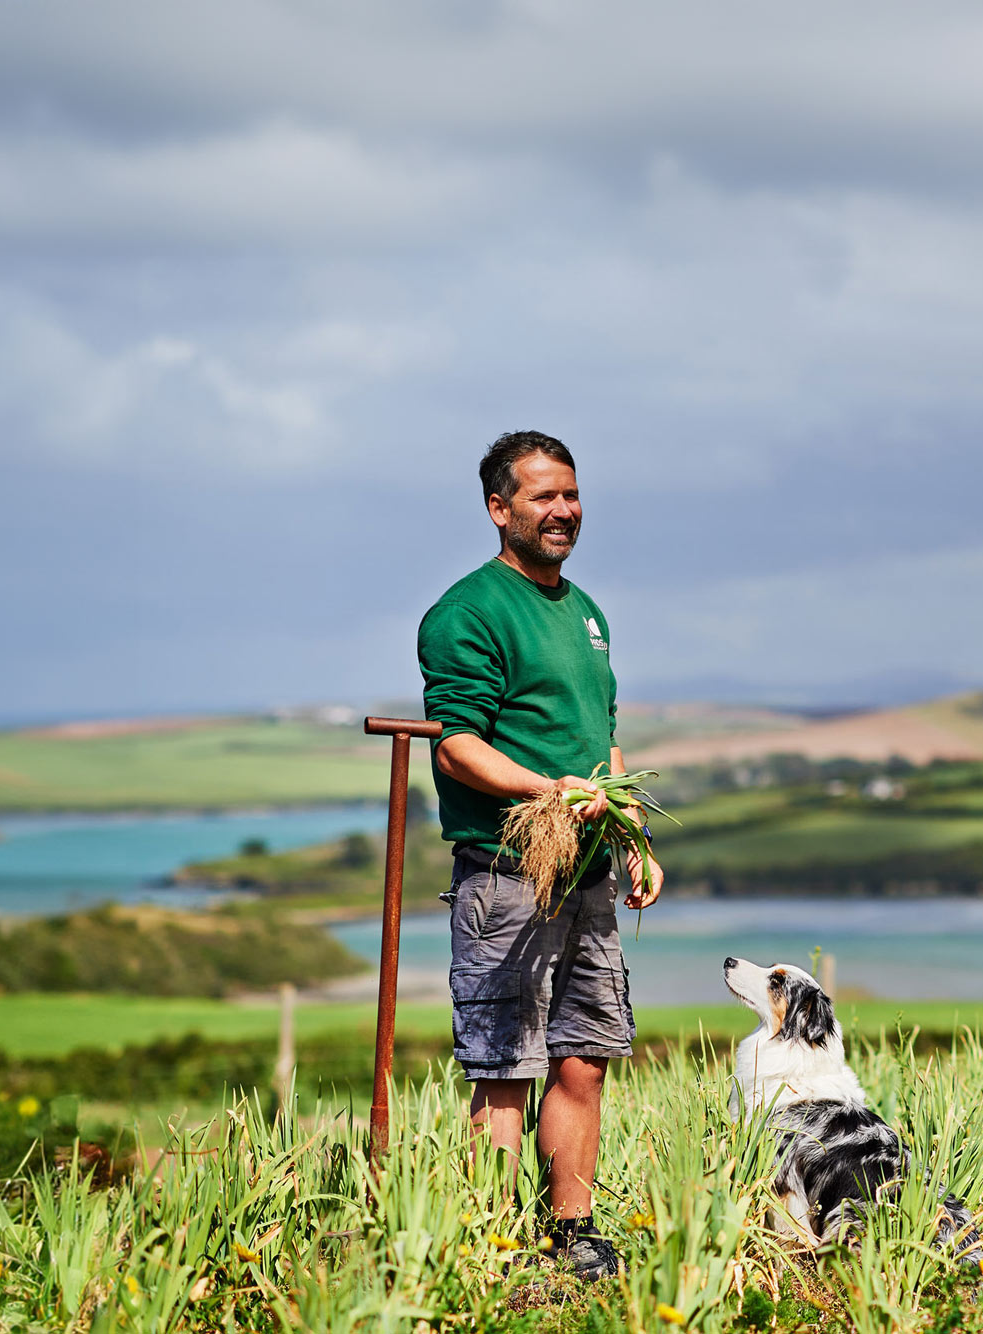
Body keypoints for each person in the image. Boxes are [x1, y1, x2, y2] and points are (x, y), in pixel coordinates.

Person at [417, 430, 664, 1282]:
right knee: (503, 1068)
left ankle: (573, 1233)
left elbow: (605, 741)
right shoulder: (469, 611)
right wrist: (547, 794)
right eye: (542, 498)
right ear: (499, 509)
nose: (563, 511)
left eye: (571, 495)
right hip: (508, 874)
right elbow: (457, 746)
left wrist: (632, 834)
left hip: (589, 872)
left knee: (583, 1057)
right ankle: (491, 1244)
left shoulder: (588, 612)